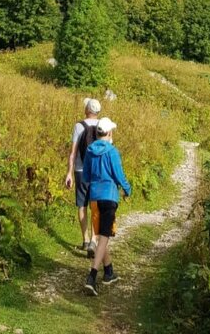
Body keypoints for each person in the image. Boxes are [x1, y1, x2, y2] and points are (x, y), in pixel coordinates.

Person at [82, 116, 131, 296]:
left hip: (94, 197)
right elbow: (118, 174)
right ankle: (92, 276)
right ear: (109, 132)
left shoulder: (89, 150)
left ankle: (108, 272)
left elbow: (86, 176)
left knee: (102, 236)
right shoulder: (112, 151)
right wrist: (127, 189)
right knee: (103, 237)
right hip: (109, 197)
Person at [65, 98, 101, 255]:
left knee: (82, 205)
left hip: (81, 170)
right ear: (98, 111)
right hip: (98, 172)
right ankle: (94, 240)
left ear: (87, 109)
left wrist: (69, 173)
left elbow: (73, 152)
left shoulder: (79, 126)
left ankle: (85, 240)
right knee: (95, 206)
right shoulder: (103, 125)